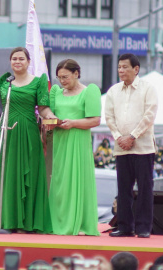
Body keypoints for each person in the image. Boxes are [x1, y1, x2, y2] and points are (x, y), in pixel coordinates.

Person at [0, 47, 55, 233]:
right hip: (6, 133)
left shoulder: (38, 81)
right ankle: (7, 222)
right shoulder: (5, 82)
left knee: (30, 175)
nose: (17, 62)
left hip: (28, 133)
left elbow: (43, 108)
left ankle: (28, 224)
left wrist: (51, 116)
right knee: (7, 175)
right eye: (14, 59)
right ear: (10, 62)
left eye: (21, 59)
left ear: (28, 62)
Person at [105, 53, 158, 238]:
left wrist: (133, 136)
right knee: (123, 188)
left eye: (125, 67)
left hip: (143, 147)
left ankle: (143, 227)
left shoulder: (148, 89)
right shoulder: (113, 91)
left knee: (144, 188)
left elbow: (149, 116)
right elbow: (109, 118)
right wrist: (119, 137)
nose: (121, 70)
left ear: (136, 69)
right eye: (119, 67)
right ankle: (125, 226)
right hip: (121, 147)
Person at [48, 59, 101, 236]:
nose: (62, 81)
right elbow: (49, 113)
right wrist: (52, 121)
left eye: (65, 77)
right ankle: (59, 221)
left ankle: (79, 223)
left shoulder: (89, 91)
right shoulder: (56, 92)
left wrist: (74, 123)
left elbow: (95, 120)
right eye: (59, 78)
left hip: (78, 140)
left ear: (76, 73)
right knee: (60, 181)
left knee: (77, 179)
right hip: (60, 140)